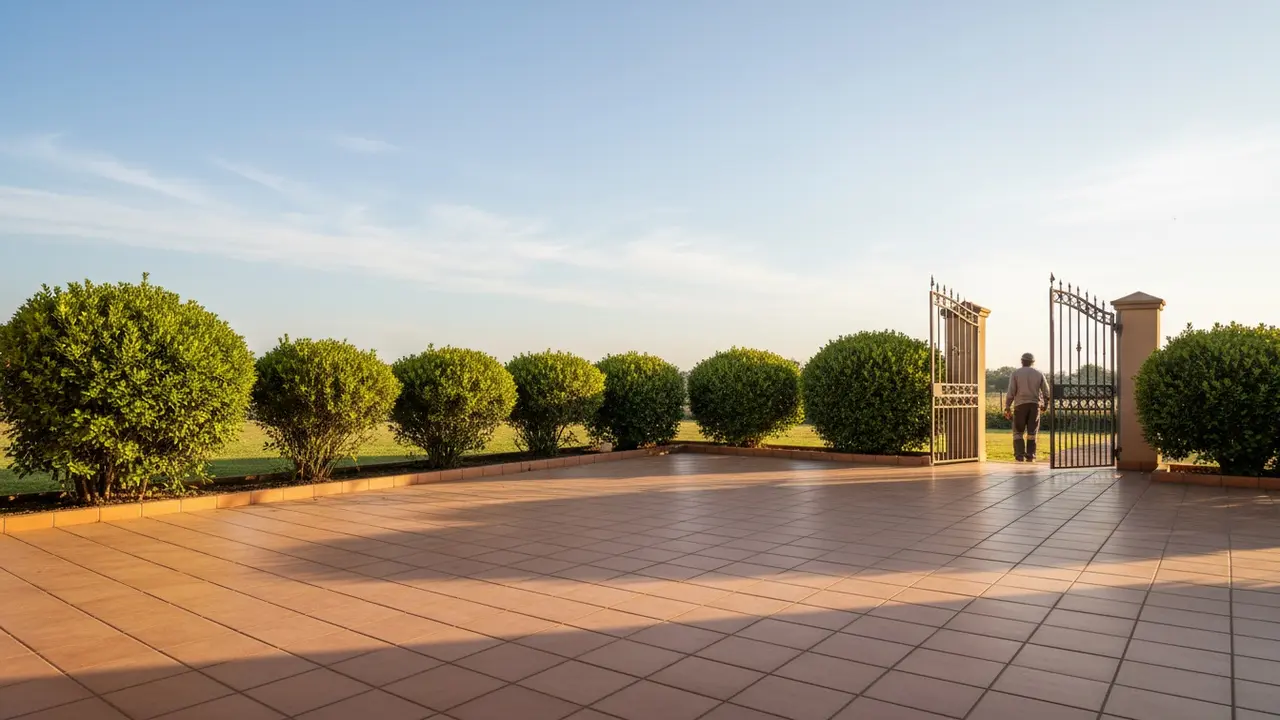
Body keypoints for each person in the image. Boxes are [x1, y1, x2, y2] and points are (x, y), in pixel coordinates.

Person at [1004, 352, 1050, 462]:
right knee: (1032, 432)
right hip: (1034, 406)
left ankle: (1019, 455)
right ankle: (1030, 454)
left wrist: (1007, 406)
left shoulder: (1015, 373)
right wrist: (1045, 404)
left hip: (1020, 406)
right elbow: (1046, 391)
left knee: (1018, 432)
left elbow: (1011, 391)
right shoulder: (1039, 373)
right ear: (1033, 362)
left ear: (1022, 361)